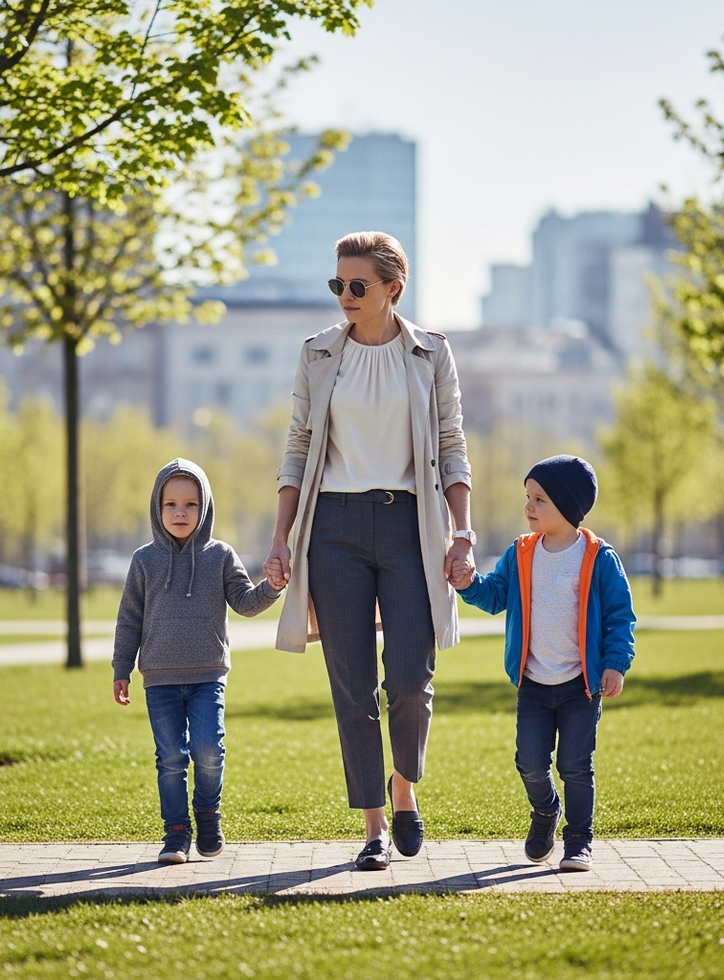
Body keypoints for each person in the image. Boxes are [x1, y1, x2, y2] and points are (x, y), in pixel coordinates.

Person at [263, 231, 475, 871]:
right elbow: (298, 447)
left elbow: (452, 445)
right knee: (352, 686)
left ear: (392, 290)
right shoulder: (318, 354)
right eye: (338, 285)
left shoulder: (430, 353)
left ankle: (403, 786)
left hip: (412, 527)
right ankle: (374, 828)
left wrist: (461, 530)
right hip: (333, 528)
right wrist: (281, 535)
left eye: (358, 286)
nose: (346, 296)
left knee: (410, 680)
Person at [449, 455, 636, 871]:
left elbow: (620, 616)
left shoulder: (598, 557)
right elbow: (495, 594)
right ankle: (545, 810)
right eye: (527, 497)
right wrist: (468, 584)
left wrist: (615, 663)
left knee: (575, 764)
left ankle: (578, 843)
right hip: (533, 683)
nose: (529, 507)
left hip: (581, 685)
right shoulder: (520, 553)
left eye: (540, 499)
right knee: (530, 763)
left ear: (568, 507)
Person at [113, 458, 283, 864]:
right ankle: (176, 834)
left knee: (209, 750)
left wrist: (272, 587)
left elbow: (244, 602)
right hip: (159, 677)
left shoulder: (220, 556)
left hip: (208, 675)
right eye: (171, 504)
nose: (180, 512)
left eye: (190, 504)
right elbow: (128, 619)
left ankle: (207, 815)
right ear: (157, 508)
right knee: (170, 758)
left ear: (204, 507)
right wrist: (122, 669)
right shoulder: (143, 561)